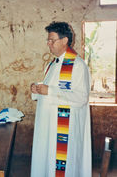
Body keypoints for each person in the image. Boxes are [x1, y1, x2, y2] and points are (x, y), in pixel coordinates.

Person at [30, 22, 91, 177]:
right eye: (48, 40)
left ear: (64, 41)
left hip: (64, 130)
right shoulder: (51, 65)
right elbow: (51, 91)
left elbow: (80, 98)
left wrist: (49, 90)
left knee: (62, 167)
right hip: (47, 126)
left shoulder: (77, 65)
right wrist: (37, 89)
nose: (48, 44)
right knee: (46, 163)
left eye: (52, 40)